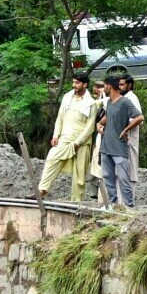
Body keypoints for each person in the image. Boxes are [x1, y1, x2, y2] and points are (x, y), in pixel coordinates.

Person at [37, 72, 99, 200]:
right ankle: (41, 191)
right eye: (73, 82)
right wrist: (56, 135)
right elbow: (60, 117)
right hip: (65, 137)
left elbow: (90, 127)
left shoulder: (91, 103)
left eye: (77, 83)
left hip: (82, 141)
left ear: (85, 84)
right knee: (52, 159)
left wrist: (78, 142)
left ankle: (77, 202)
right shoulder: (67, 97)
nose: (74, 85)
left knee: (80, 174)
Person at [96, 78, 142, 208]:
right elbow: (108, 116)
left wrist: (125, 130)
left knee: (123, 178)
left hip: (119, 147)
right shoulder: (110, 102)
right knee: (108, 177)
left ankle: (129, 205)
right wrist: (99, 123)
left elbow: (139, 117)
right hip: (106, 145)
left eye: (104, 86)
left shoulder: (125, 102)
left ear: (110, 86)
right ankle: (113, 203)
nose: (102, 88)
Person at [118, 74, 142, 191]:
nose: (119, 87)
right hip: (122, 140)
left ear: (129, 85)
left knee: (131, 171)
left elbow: (138, 118)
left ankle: (129, 202)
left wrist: (125, 129)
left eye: (122, 85)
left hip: (130, 138)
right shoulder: (122, 98)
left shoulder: (132, 98)